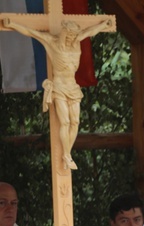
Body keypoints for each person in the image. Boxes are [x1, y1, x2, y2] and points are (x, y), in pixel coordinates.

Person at [1, 18, 113, 170]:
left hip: (73, 87)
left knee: (75, 122)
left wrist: (102, 25)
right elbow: (31, 32)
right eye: (69, 36)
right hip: (59, 87)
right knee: (65, 122)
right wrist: (12, 24)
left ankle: (67, 153)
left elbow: (89, 31)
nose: (72, 39)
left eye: (74, 36)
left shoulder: (76, 42)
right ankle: (67, 155)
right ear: (64, 34)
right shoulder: (51, 42)